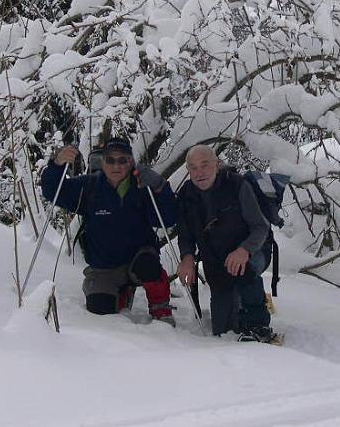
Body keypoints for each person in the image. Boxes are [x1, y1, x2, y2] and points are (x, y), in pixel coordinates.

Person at [40, 138, 177, 324]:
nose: (116, 165)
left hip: (139, 262)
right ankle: (121, 292)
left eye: (122, 160)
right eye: (110, 160)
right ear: (102, 162)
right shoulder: (89, 187)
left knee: (148, 265)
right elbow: (52, 191)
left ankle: (160, 306)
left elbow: (168, 219)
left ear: (131, 162)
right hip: (104, 267)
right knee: (100, 309)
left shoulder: (143, 188)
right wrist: (57, 164)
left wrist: (161, 186)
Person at [176, 145, 279, 343]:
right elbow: (185, 235)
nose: (199, 173)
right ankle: (239, 301)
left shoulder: (237, 186)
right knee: (222, 330)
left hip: (253, 251)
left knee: (244, 270)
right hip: (216, 260)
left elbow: (260, 227)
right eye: (193, 168)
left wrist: (244, 250)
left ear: (217, 164)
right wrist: (187, 257)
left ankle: (258, 326)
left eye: (204, 165)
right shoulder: (186, 196)